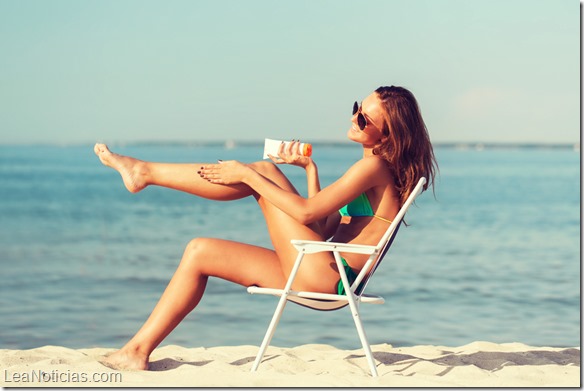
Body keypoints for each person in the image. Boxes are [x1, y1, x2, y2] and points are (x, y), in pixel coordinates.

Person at [95, 85, 438, 370]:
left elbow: (304, 216)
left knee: (264, 171)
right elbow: (320, 225)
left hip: (328, 277)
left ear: (388, 132)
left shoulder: (374, 168)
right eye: (355, 108)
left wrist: (248, 176)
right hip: (320, 268)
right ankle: (136, 351)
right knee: (200, 251)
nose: (353, 118)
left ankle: (145, 172)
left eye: (363, 118)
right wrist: (309, 169)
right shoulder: (372, 169)